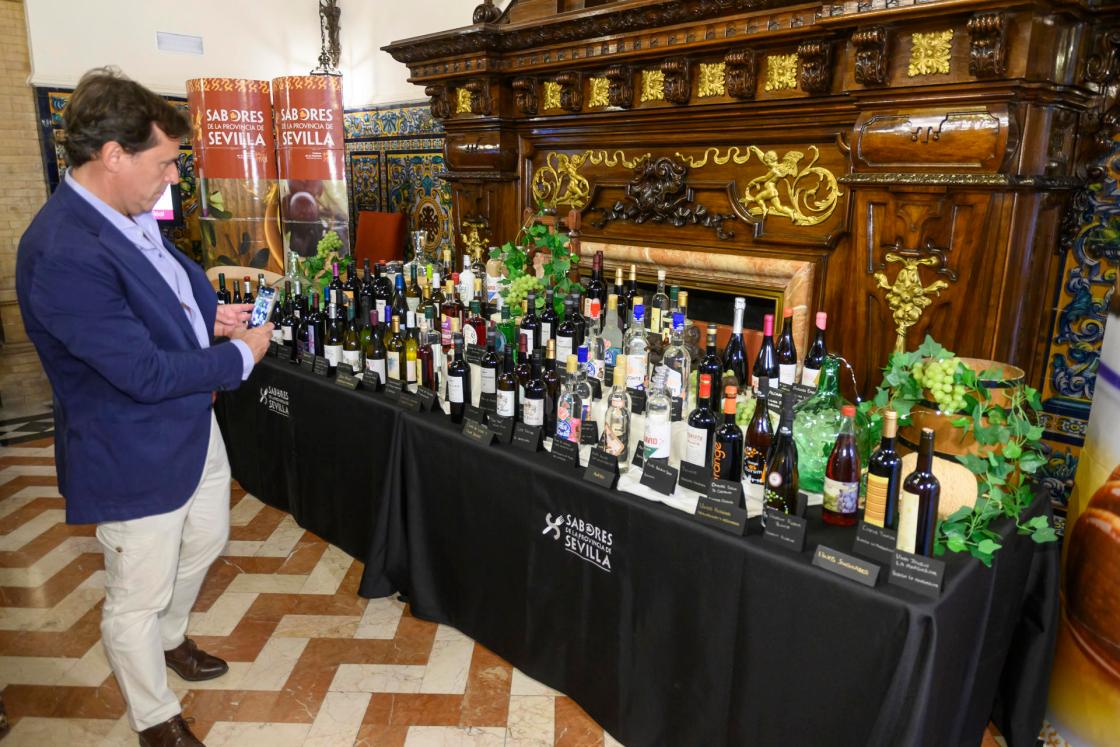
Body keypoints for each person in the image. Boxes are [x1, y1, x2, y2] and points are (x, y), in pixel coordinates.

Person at [15, 68, 273, 747]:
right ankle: (154, 716)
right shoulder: (62, 251)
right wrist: (242, 354)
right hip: (130, 443)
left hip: (187, 420)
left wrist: (210, 317)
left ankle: (169, 635)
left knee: (208, 536)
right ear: (112, 156)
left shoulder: (128, 210)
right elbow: (139, 370)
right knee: (134, 591)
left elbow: (160, 294)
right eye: (163, 163)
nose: (172, 178)